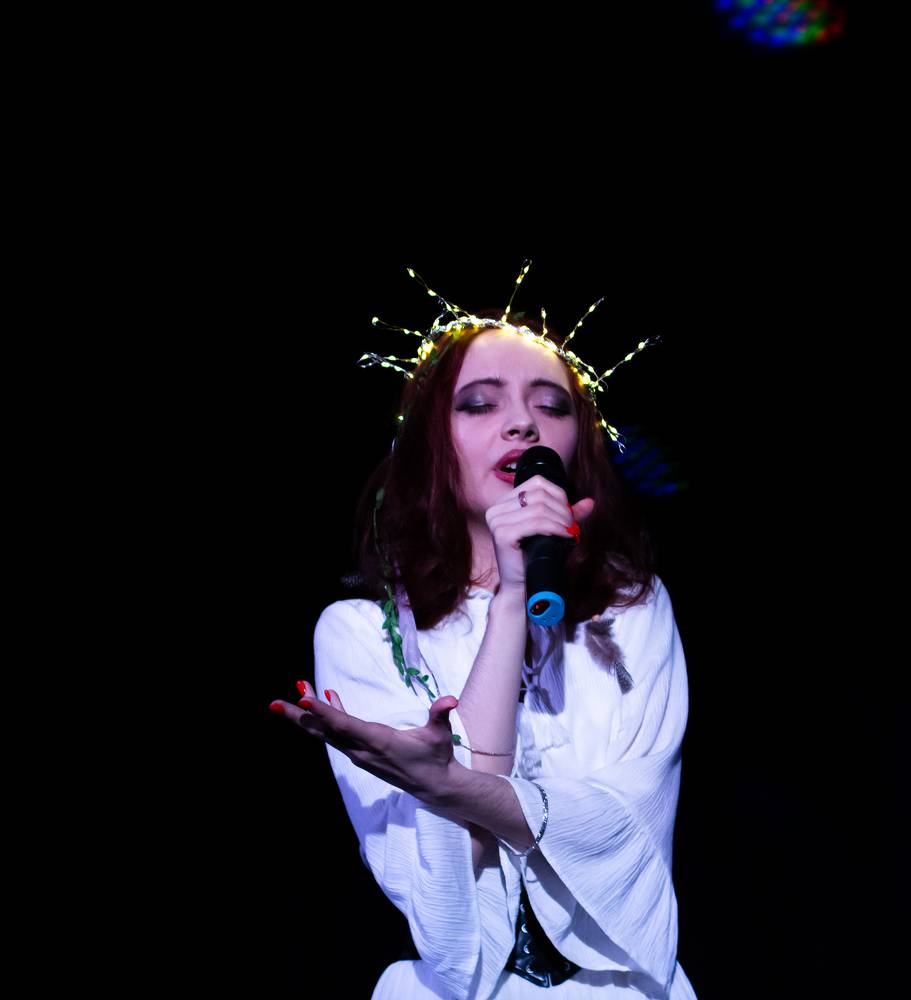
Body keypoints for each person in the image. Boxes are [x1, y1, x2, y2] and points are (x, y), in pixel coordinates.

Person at [270, 281, 695, 1000]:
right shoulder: (364, 635)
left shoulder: (632, 610)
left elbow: (622, 835)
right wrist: (510, 598)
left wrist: (447, 786)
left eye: (551, 406)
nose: (523, 424)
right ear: (432, 443)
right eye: (480, 403)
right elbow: (446, 897)